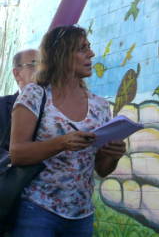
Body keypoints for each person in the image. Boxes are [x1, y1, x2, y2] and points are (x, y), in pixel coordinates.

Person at [9, 25, 126, 237]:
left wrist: (113, 156)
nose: (91, 53)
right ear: (61, 54)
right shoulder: (35, 94)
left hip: (82, 216)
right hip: (37, 210)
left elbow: (102, 169)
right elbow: (17, 153)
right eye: (82, 48)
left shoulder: (100, 106)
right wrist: (62, 143)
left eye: (89, 47)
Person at [0, 49, 38, 151]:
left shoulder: (59, 106)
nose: (42, 70)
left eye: (45, 64)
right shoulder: (2, 106)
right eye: (34, 64)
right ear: (17, 74)